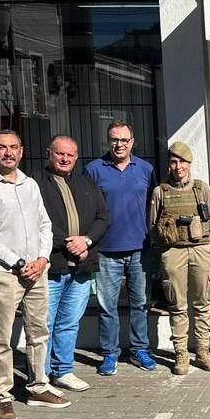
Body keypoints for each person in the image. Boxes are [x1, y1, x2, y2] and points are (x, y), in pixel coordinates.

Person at [0, 130, 70, 419]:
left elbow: (45, 225)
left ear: (22, 152)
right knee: (2, 339)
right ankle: (2, 397)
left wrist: (42, 259)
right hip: (4, 274)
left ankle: (38, 386)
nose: (8, 153)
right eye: (2, 148)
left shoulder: (30, 185)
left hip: (37, 271)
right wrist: (18, 261)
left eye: (13, 147)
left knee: (39, 333)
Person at [84, 120, 158, 376]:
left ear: (132, 142)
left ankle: (139, 349)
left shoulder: (146, 169)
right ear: (108, 141)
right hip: (106, 249)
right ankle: (110, 354)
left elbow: (153, 205)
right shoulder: (93, 169)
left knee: (140, 303)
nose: (119, 144)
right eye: (115, 139)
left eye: (124, 140)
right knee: (107, 307)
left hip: (140, 248)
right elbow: (87, 209)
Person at [36, 135, 109, 392]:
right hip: (51, 265)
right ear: (49, 153)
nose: (65, 159)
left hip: (81, 266)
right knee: (44, 324)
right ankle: (41, 377)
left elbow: (103, 218)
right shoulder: (35, 184)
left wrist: (86, 241)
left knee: (69, 322)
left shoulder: (86, 182)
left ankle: (63, 371)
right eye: (60, 154)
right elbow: (36, 222)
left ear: (76, 158)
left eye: (70, 155)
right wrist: (69, 243)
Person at [149, 142, 210, 376]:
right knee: (177, 305)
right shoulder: (161, 191)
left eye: (182, 162)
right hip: (173, 252)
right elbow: (152, 225)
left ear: (189, 164)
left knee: (202, 304)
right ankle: (181, 353)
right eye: (173, 161)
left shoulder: (202, 189)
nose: (177, 166)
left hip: (201, 250)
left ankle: (202, 352)